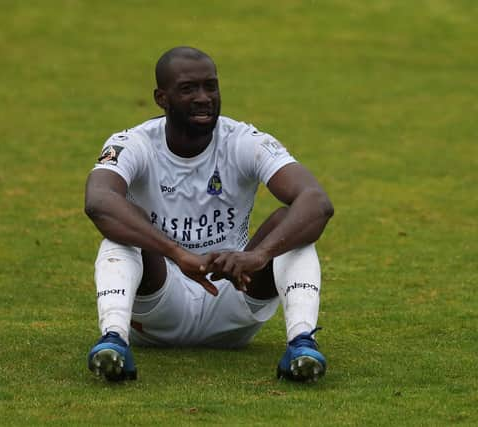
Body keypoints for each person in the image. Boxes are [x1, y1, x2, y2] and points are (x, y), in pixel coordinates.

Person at [84, 46, 334, 383]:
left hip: (234, 296)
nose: (204, 98)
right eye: (188, 89)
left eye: (210, 86)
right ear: (162, 98)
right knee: (120, 233)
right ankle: (113, 339)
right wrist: (177, 254)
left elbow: (316, 202)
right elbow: (98, 200)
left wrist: (259, 256)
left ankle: (302, 344)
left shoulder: (244, 140)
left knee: (292, 228)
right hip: (160, 307)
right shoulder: (134, 143)